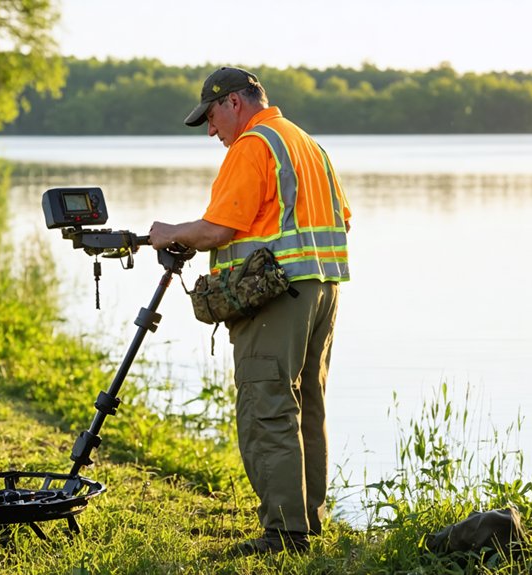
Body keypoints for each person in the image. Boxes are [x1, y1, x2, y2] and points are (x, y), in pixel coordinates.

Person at [148, 66, 351, 555]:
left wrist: (169, 232)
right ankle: (308, 522)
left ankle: (284, 533)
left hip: (276, 299)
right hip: (323, 291)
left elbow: (218, 230)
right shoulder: (305, 143)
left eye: (212, 118)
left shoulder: (254, 145)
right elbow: (343, 219)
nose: (212, 131)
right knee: (306, 406)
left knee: (268, 405)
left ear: (233, 102)